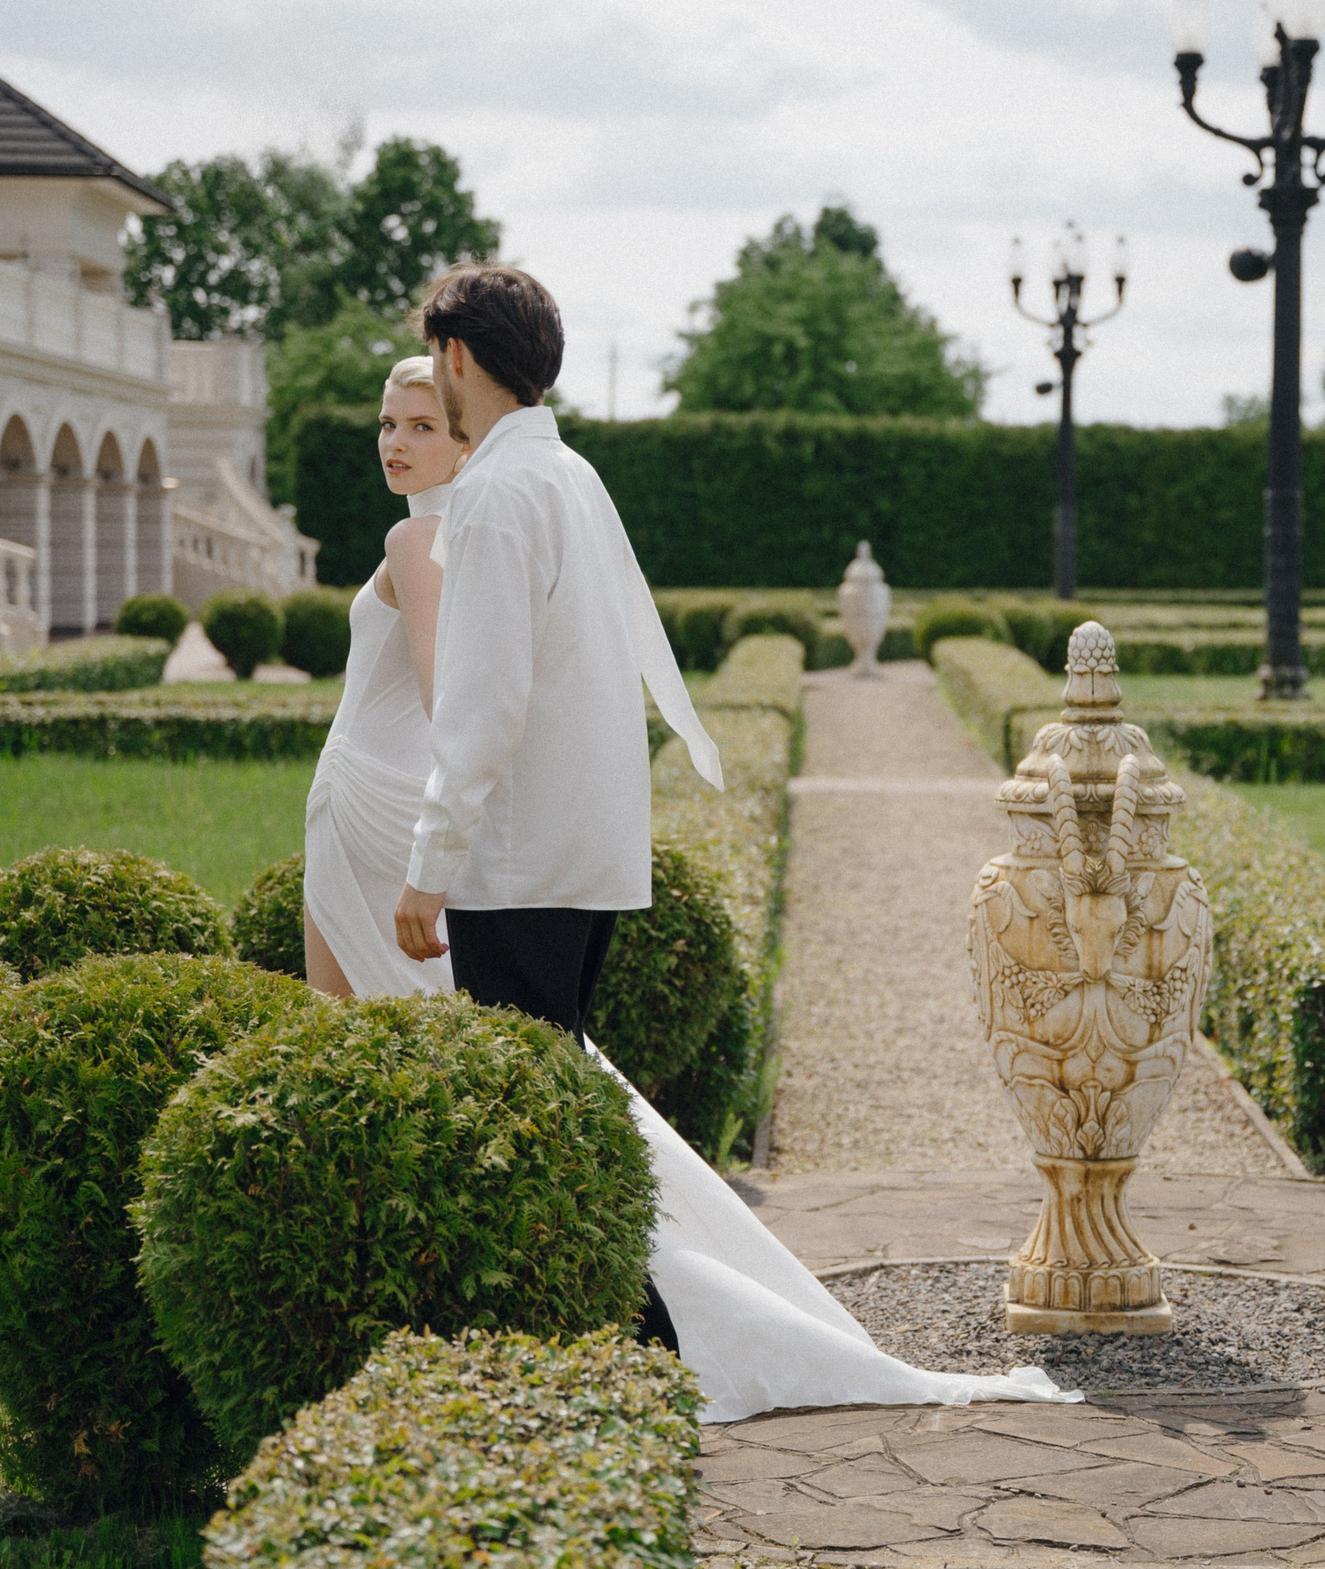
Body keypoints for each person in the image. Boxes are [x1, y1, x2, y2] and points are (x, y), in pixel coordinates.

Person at [357, 262, 1074, 1421]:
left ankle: (632, 1350)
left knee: (541, 1123)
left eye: (434, 358)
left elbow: (482, 704)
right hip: (588, 852)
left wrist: (429, 863)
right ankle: (623, 1341)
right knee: (564, 1105)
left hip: (520, 863)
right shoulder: (573, 474)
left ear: (458, 360)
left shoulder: (495, 495)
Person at [299, 355, 468, 999]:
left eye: (423, 427)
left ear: (465, 442)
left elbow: (440, 694)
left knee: (341, 1033)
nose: (395, 443)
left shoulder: (415, 537)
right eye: (388, 423)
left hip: (368, 804)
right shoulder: (474, 530)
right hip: (398, 797)